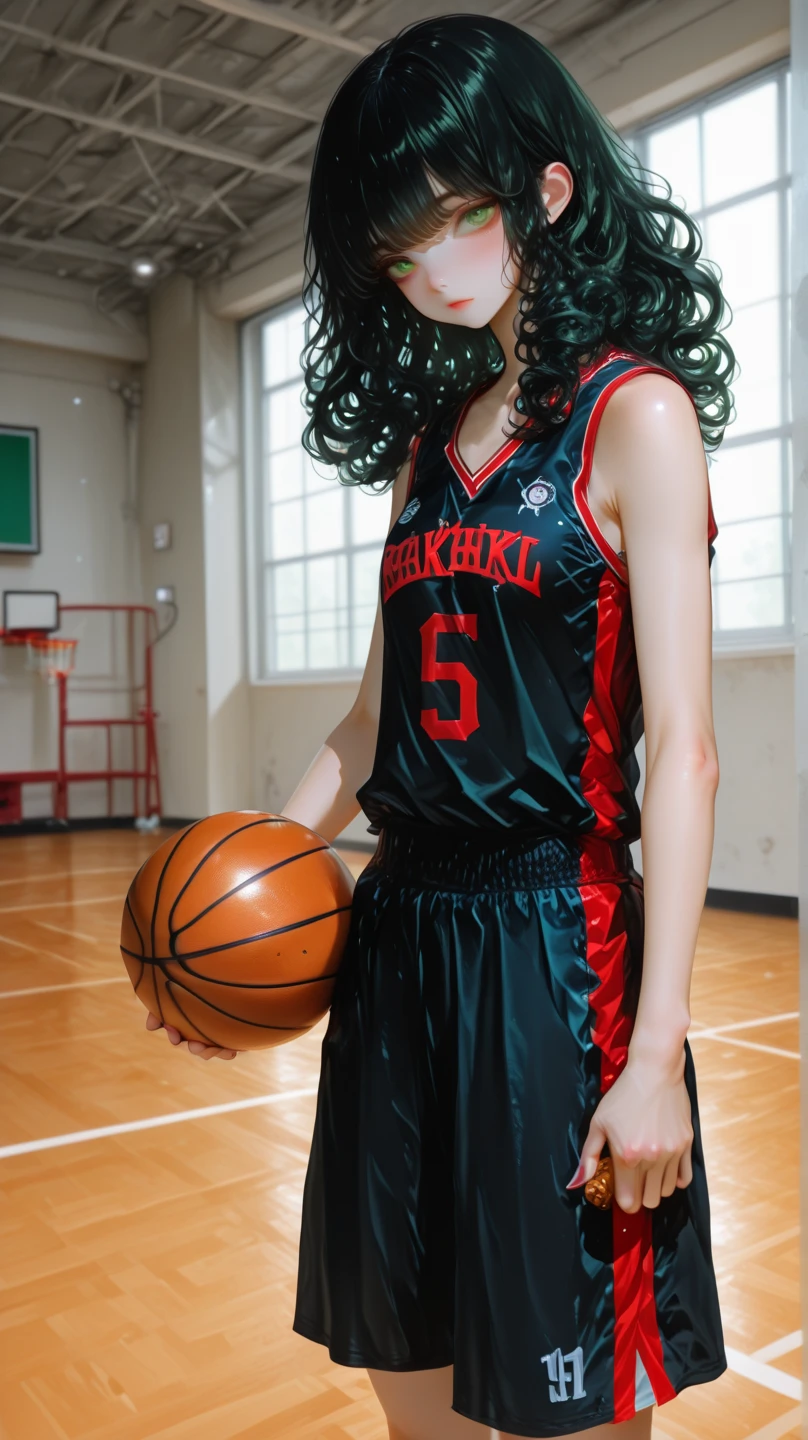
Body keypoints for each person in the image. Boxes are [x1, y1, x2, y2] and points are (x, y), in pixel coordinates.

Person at [148, 14, 734, 1439]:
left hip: (556, 949)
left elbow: (688, 751)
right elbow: (369, 722)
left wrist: (655, 1053)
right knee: (409, 1384)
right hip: (399, 939)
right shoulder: (426, 453)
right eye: (398, 252)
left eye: (457, 220)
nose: (432, 270)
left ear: (546, 191)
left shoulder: (636, 415)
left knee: (574, 1401)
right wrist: (241, 897)